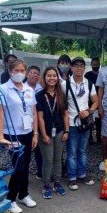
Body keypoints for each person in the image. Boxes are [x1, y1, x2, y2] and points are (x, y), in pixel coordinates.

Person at [0, 59, 38, 213]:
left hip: (27, 132)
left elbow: (33, 113)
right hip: (11, 134)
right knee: (18, 166)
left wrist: (35, 134)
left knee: (25, 165)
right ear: (10, 71)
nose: (19, 73)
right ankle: (10, 198)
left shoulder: (29, 90)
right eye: (16, 70)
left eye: (22, 71)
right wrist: (0, 136)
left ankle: (23, 194)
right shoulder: (2, 89)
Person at [62, 57, 98, 190]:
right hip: (71, 123)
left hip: (85, 123)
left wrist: (89, 111)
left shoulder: (89, 83)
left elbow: (96, 101)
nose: (78, 68)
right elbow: (61, 104)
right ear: (71, 68)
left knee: (82, 151)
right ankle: (72, 178)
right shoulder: (64, 84)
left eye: (81, 65)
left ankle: (82, 175)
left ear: (84, 68)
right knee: (72, 152)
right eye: (76, 65)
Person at [35, 67, 70, 199]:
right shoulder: (39, 95)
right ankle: (46, 185)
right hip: (46, 133)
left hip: (60, 131)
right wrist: (43, 135)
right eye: (49, 76)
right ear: (44, 78)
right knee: (48, 160)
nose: (52, 78)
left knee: (57, 159)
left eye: (54, 76)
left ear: (57, 78)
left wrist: (67, 131)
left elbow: (65, 115)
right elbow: (40, 118)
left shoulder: (61, 95)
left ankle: (57, 183)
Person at [26, 65, 43, 179]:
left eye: (37, 73)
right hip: (25, 124)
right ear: (27, 74)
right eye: (32, 72)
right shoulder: (21, 88)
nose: (35, 75)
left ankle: (40, 172)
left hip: (39, 122)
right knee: (25, 149)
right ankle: (23, 173)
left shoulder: (41, 89)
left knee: (39, 149)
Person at [84, 57, 102, 145]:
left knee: (99, 120)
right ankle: (90, 137)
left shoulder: (102, 74)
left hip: (100, 100)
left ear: (99, 65)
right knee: (90, 119)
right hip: (89, 101)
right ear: (91, 65)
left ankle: (99, 137)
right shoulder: (87, 75)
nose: (95, 66)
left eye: (97, 64)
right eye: (94, 64)